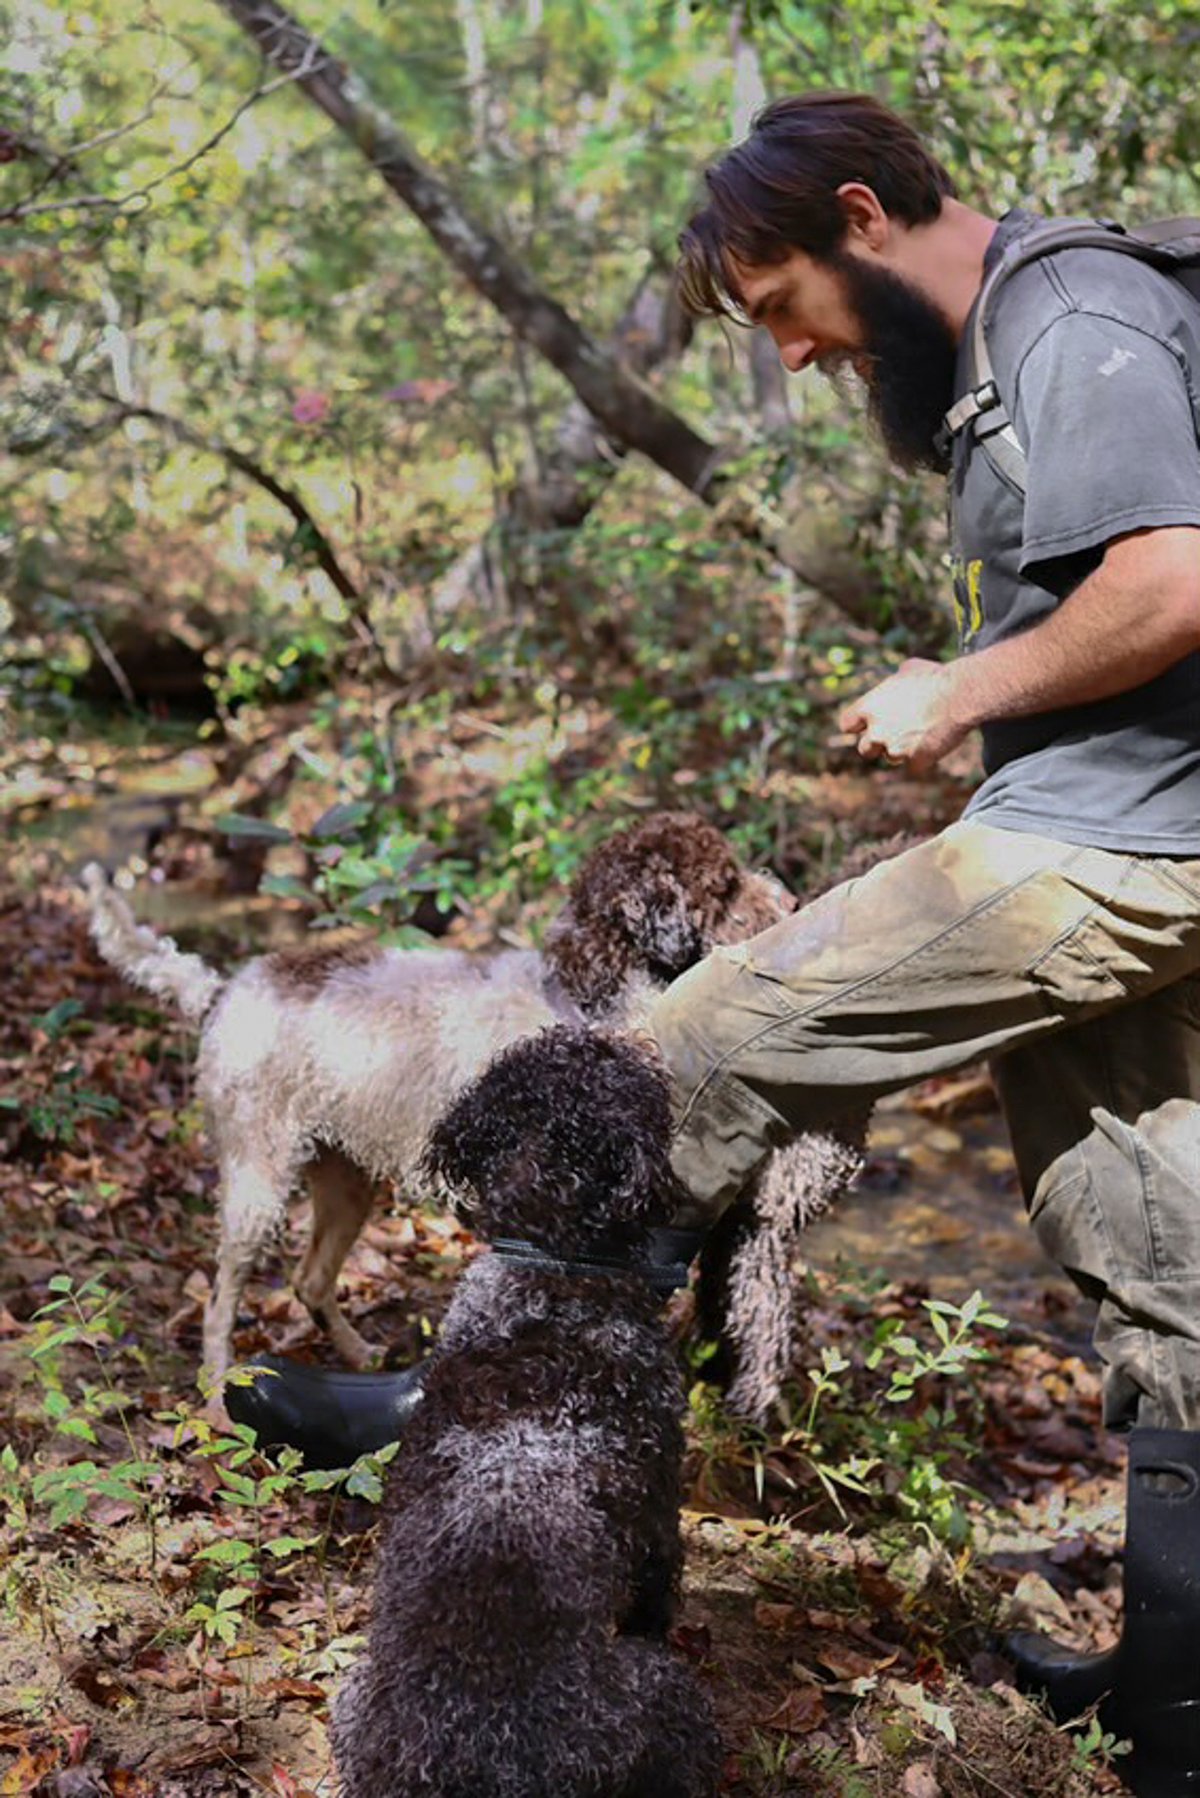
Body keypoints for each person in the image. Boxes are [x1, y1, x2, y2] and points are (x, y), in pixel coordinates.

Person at [231, 92, 1200, 1790]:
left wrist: (955, 688)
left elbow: (1173, 583)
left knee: (708, 1028)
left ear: (858, 215)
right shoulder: (1017, 340)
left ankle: (453, 1403)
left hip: (1118, 839)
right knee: (1158, 1233)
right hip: (1147, 825)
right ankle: (1183, 1709)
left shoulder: (1080, 317)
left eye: (782, 312)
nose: (801, 359)